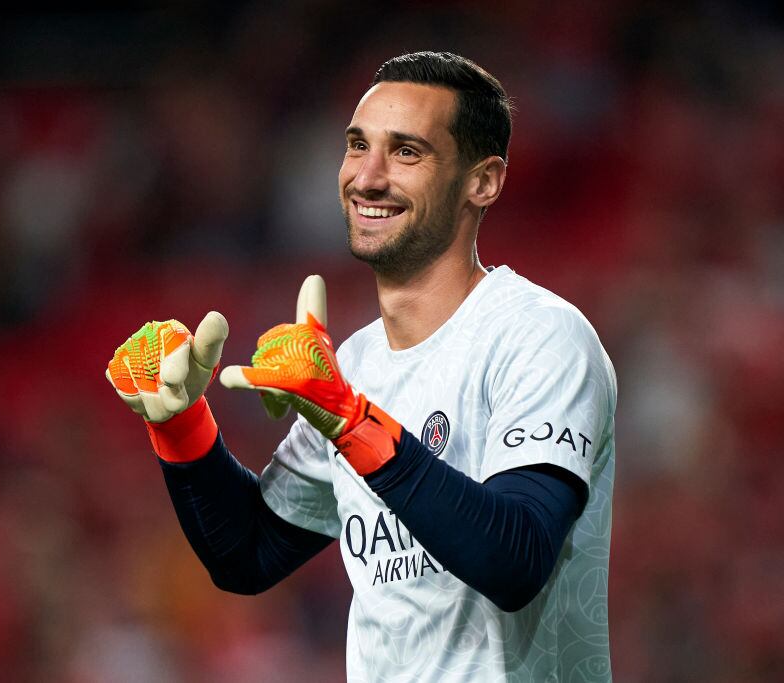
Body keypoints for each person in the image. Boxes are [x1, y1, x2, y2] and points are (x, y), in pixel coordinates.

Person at [107, 51, 616, 682]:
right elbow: (249, 553)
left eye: (406, 152)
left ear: (483, 180)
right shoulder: (359, 362)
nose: (367, 176)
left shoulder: (539, 336)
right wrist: (181, 426)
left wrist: (352, 420)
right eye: (357, 145)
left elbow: (514, 561)